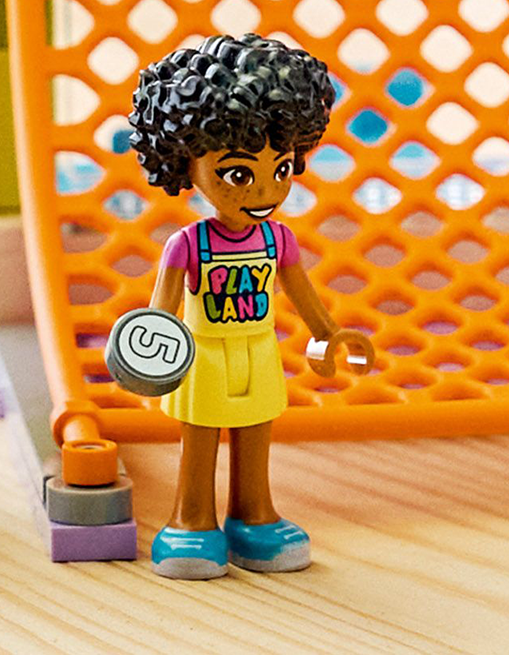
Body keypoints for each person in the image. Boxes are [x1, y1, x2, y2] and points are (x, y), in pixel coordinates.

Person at [128, 33, 374, 578]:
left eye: (280, 170)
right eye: (238, 174)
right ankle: (191, 519)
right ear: (185, 163)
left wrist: (329, 334)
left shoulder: (277, 240)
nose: (265, 191)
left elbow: (303, 295)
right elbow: (160, 314)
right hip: (204, 353)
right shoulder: (188, 244)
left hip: (259, 349)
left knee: (256, 431)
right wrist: (148, 358)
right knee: (200, 437)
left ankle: (253, 515)